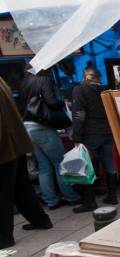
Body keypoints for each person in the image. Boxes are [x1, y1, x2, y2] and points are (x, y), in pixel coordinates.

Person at [1, 77, 53, 248]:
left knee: (4, 193)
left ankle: (4, 238)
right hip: (16, 141)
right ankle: (40, 220)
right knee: (21, 187)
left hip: (5, 146)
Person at [18, 68, 81, 209]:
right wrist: (62, 102)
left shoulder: (25, 82)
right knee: (59, 162)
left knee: (43, 166)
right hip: (42, 125)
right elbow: (51, 101)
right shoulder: (43, 79)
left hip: (28, 125)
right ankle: (71, 196)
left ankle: (51, 200)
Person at [70, 67, 117, 212]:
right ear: (98, 77)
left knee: (87, 166)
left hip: (90, 132)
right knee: (109, 163)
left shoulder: (80, 90)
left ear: (85, 78)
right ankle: (112, 196)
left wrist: (76, 136)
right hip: (108, 131)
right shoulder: (107, 90)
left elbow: (79, 114)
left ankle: (90, 202)